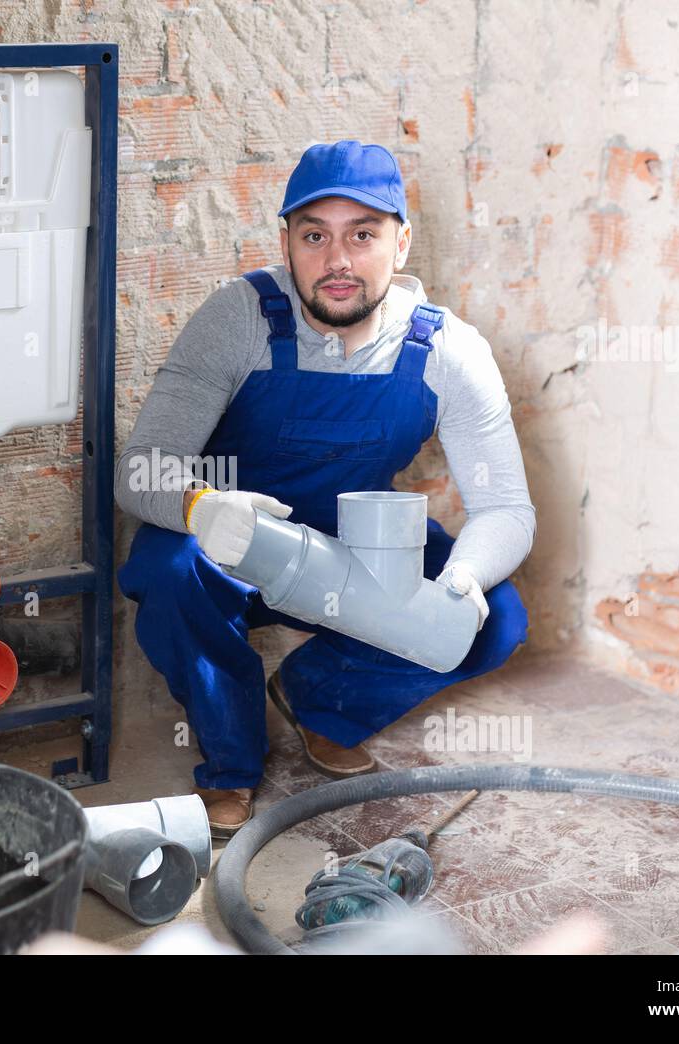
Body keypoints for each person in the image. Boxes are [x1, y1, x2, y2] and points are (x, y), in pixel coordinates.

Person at [115, 140, 535, 837]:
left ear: (400, 244)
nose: (337, 261)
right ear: (287, 244)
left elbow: (505, 510)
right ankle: (230, 763)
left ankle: (319, 703)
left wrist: (459, 584)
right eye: (315, 236)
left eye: (362, 235)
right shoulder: (239, 319)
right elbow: (142, 468)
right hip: (233, 540)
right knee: (167, 564)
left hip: (357, 548)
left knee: (498, 619)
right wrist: (202, 506)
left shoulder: (449, 352)